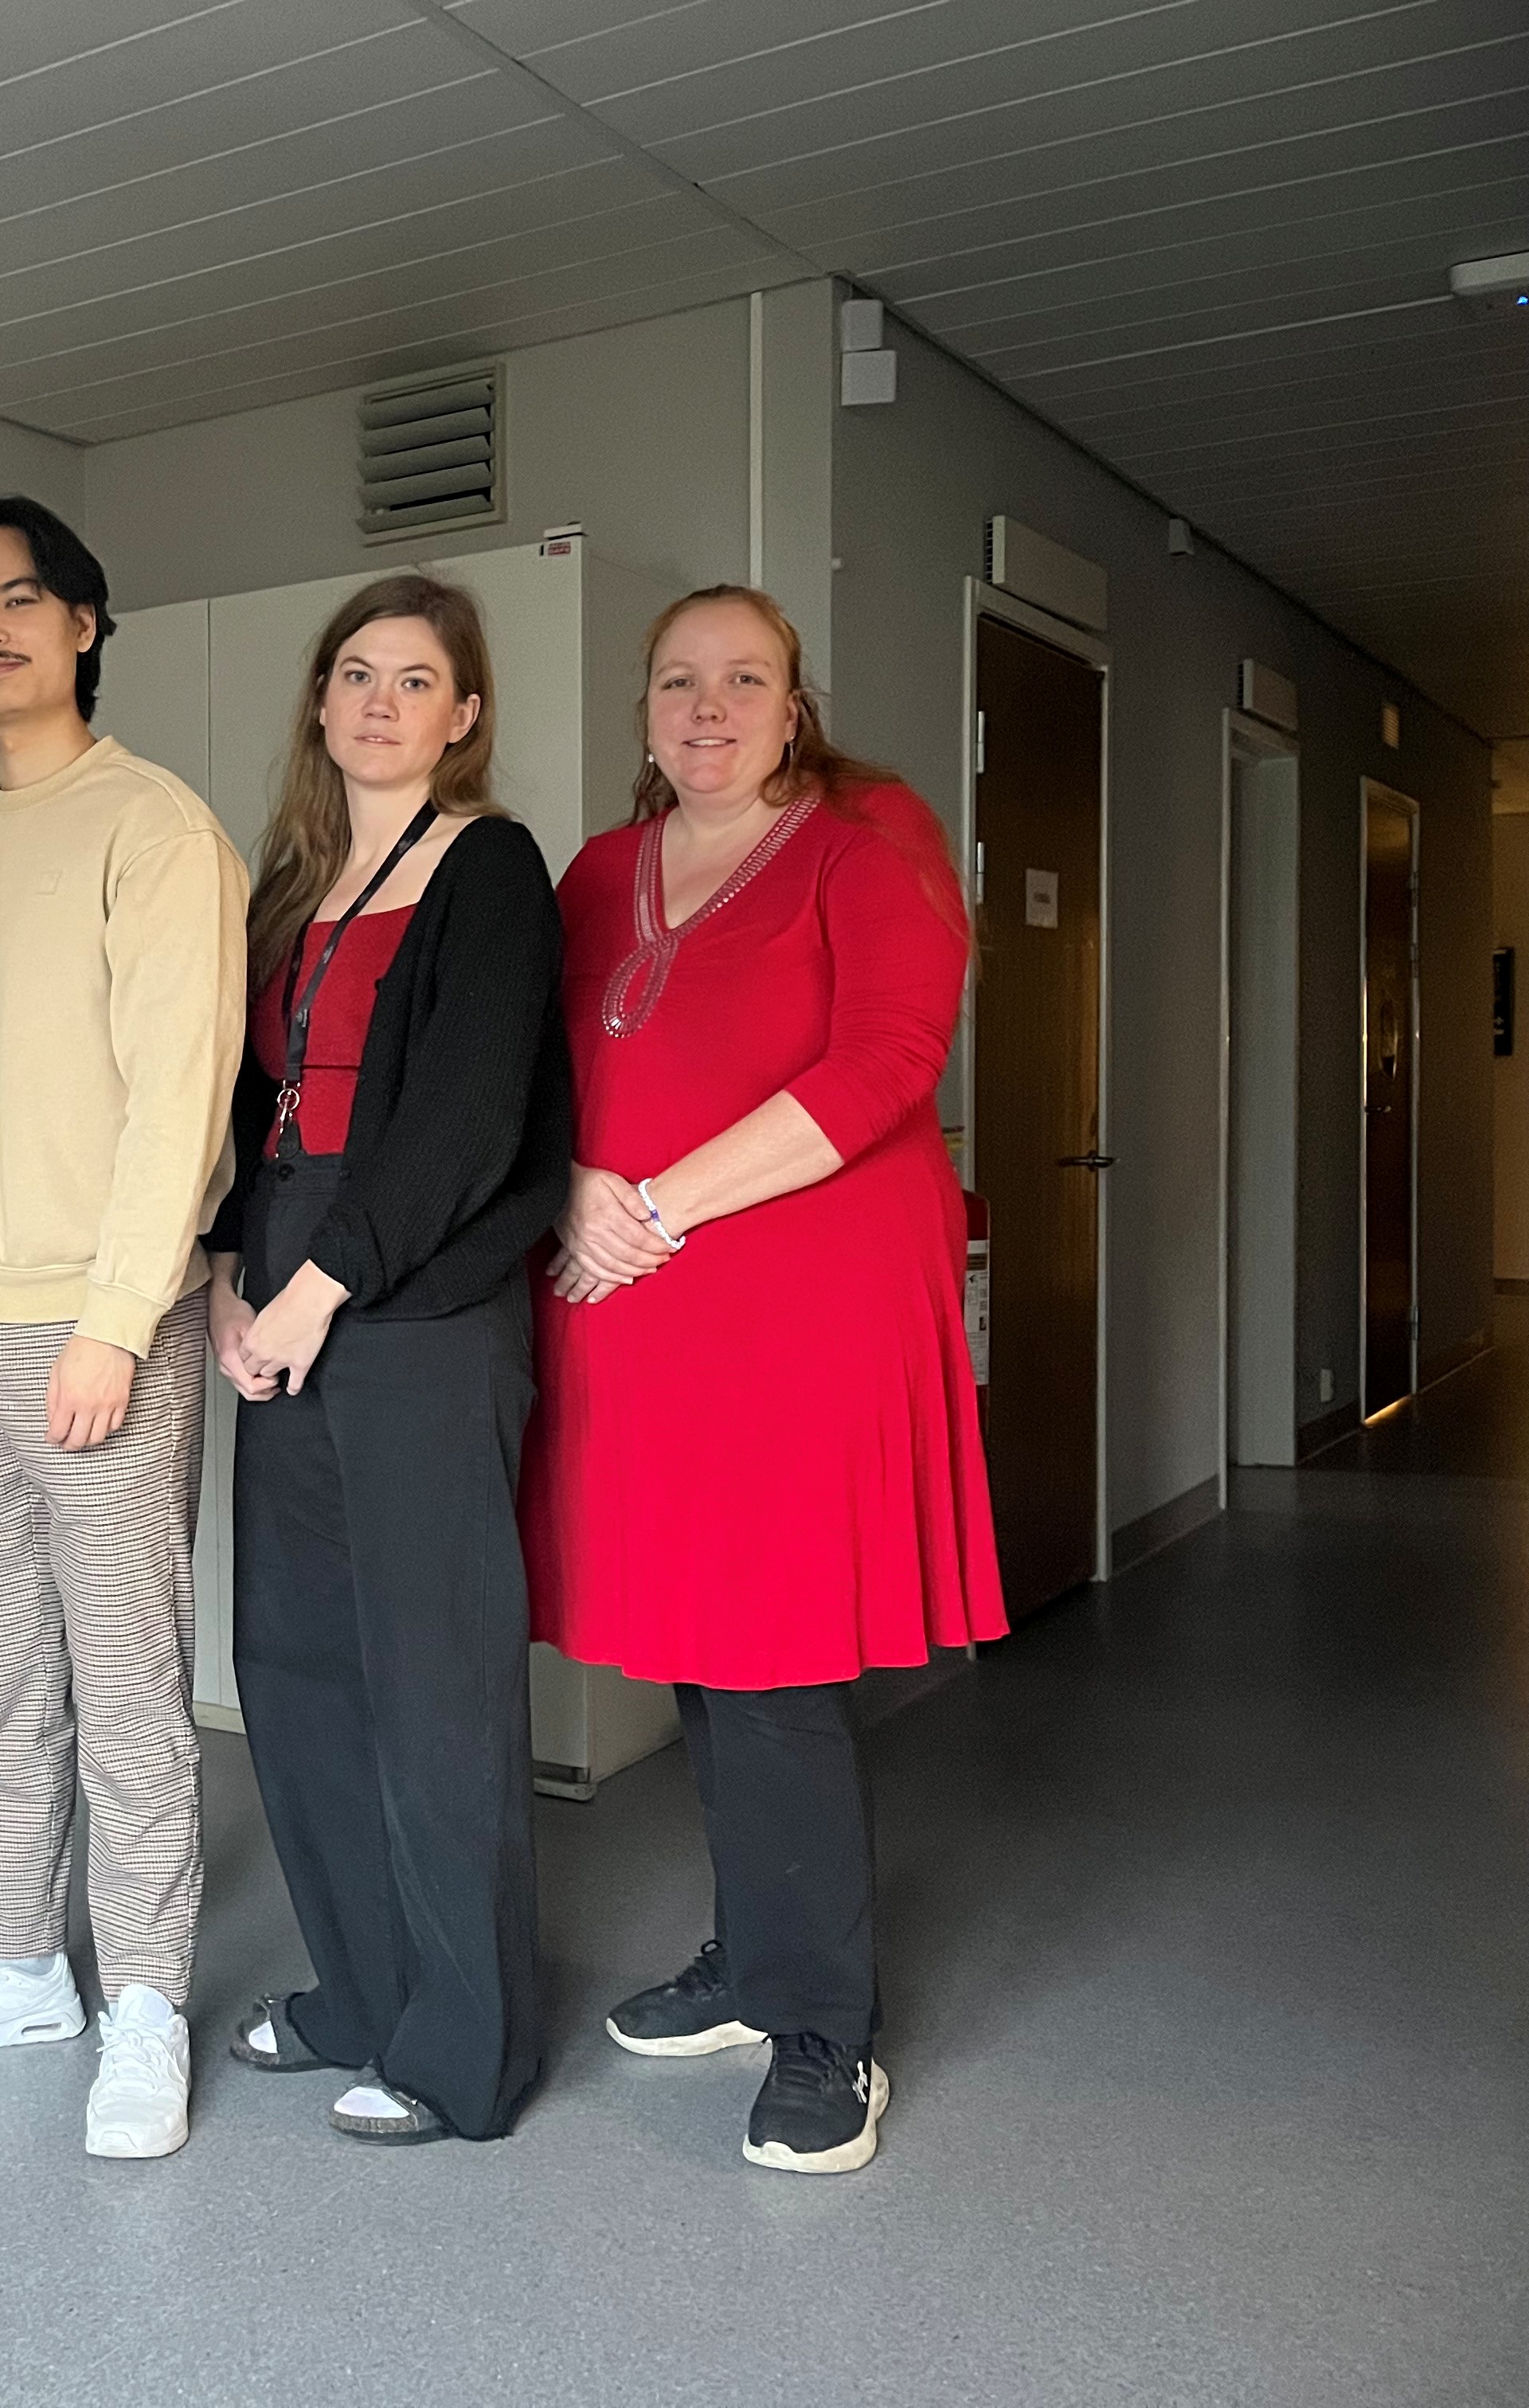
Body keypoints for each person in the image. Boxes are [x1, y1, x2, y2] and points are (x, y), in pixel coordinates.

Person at [519, 584, 1005, 2175]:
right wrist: (576, 1187)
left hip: (802, 1316)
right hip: (641, 1319)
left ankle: (823, 2028)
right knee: (697, 1649)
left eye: (745, 680)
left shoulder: (866, 842)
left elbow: (885, 1064)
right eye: (681, 681)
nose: (709, 708)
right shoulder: (602, 872)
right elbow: (536, 1071)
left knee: (775, 1661)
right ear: (647, 710)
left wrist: (656, 1205)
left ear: (796, 707)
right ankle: (755, 1956)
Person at [0, 494, 248, 2160]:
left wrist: (115, 1318)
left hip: (103, 1334)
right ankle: (19, 1962)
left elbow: (181, 1095)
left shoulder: (154, 829)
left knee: (132, 1690)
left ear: (84, 625)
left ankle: (145, 1998)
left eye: (19, 600)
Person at [205, 574, 569, 2147]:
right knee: (295, 1669)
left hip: (415, 1303)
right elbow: (243, 1110)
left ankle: (465, 2051)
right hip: (282, 1276)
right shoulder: (289, 886)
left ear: (463, 713)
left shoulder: (491, 867)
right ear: (320, 698)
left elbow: (469, 1119)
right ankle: (361, 1994)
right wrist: (232, 1276)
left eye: (416, 679)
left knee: (435, 1686)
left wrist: (317, 1290)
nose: (379, 701)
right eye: (355, 672)